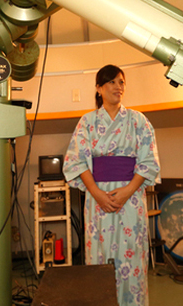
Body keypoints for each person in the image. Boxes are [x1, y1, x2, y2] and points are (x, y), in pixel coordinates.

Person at [63, 64, 160, 306]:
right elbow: (76, 161)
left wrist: (127, 191)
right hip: (98, 198)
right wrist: (97, 194)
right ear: (98, 88)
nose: (118, 87)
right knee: (100, 255)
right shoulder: (87, 122)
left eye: (121, 82)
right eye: (112, 82)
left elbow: (149, 161)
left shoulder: (139, 121)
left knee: (133, 255)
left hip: (132, 196)